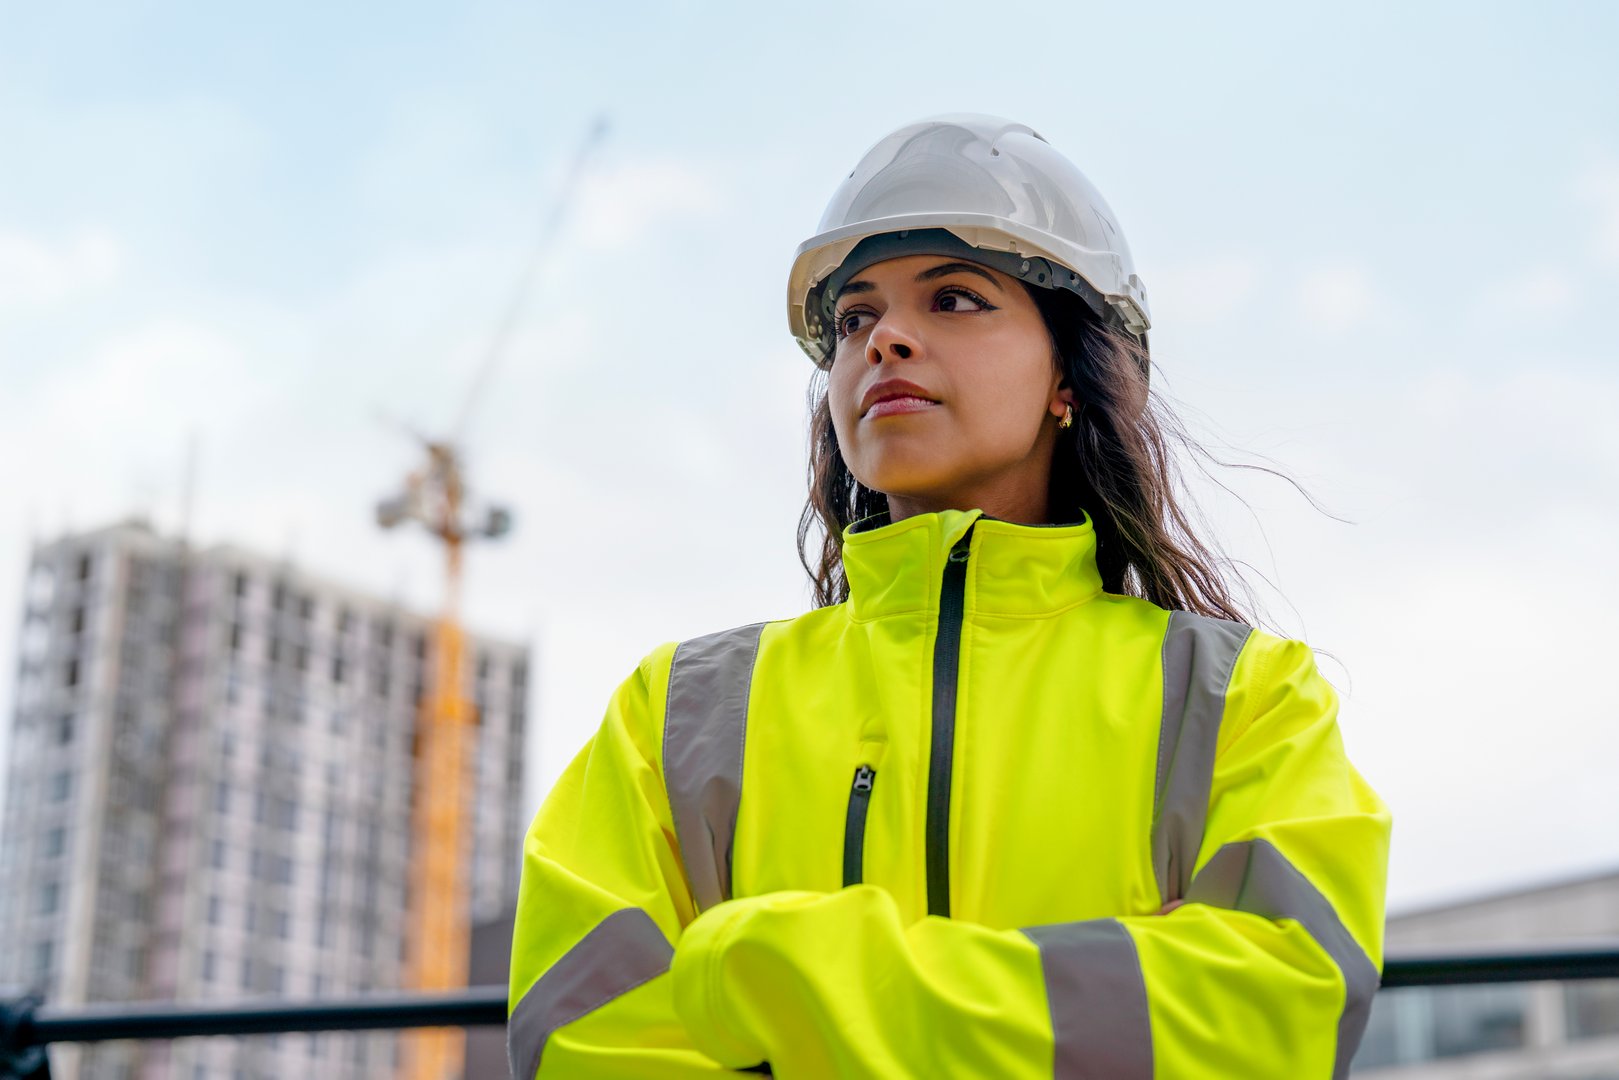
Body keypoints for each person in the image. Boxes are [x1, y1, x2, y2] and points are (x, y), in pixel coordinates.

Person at [506, 114, 1390, 1079]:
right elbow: (579, 1045)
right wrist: (1120, 982)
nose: (885, 339)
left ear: (1067, 374)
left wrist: (776, 964)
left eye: (955, 299)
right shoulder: (675, 715)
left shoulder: (1242, 701)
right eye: (854, 319)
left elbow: (1273, 1020)